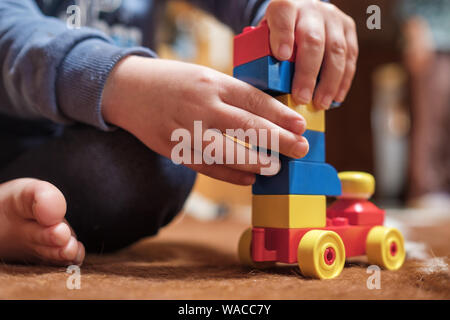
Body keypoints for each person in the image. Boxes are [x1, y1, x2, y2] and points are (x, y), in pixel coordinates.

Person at [0, 0, 358, 266]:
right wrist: (117, 83)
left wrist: (285, 9)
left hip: (78, 155)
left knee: (167, 160)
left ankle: (25, 209)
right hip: (11, 139)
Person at [399, 0, 450, 208]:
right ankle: (426, 191)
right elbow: (410, 6)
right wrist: (415, 36)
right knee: (430, 123)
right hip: (434, 45)